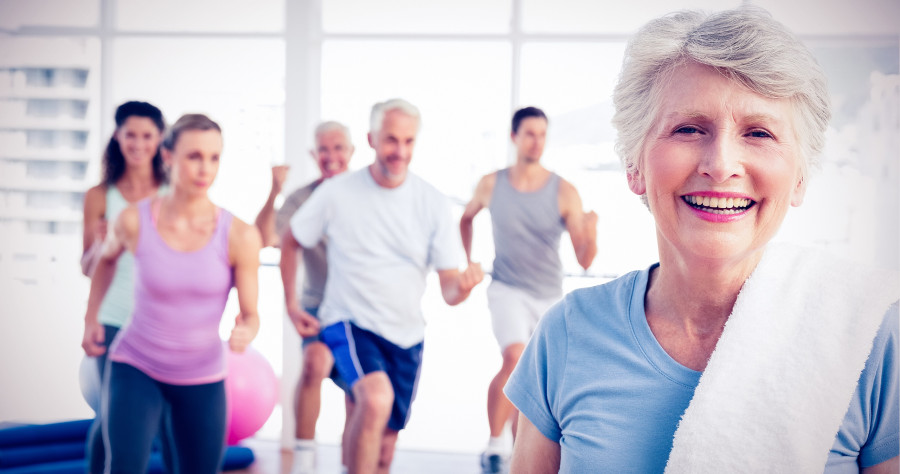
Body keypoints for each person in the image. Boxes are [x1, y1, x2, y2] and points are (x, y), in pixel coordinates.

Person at [505, 6, 899, 473]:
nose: (721, 163)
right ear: (635, 165)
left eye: (759, 132)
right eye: (689, 128)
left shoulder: (870, 340)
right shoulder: (568, 334)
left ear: (799, 178)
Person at [281, 98, 485, 474]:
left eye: (409, 142)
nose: (400, 151)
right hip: (348, 321)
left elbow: (449, 292)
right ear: (371, 139)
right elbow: (291, 240)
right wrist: (292, 306)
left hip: (407, 336)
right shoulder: (337, 192)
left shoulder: (434, 203)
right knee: (374, 400)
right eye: (391, 140)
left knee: (385, 451)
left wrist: (465, 287)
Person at [81, 114, 262, 473]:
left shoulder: (239, 234)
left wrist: (247, 329)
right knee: (124, 466)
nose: (205, 168)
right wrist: (91, 319)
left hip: (202, 375)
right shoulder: (133, 220)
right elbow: (104, 263)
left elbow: (251, 313)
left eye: (214, 158)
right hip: (136, 366)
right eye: (194, 156)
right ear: (168, 156)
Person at [458, 106, 597, 473]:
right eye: (529, 133)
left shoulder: (564, 191)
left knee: (534, 380)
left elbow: (584, 259)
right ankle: (494, 444)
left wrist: (591, 231)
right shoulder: (492, 183)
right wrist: (468, 260)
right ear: (514, 137)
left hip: (547, 294)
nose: (536, 141)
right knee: (514, 358)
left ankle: (520, 452)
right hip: (506, 288)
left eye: (542, 134)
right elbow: (466, 217)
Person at [255, 121, 356, 473]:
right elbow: (265, 237)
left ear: (352, 152)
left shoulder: (368, 194)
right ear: (315, 155)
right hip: (317, 304)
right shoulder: (302, 198)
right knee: (315, 363)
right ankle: (302, 459)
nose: (332, 156)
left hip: (362, 309)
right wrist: (274, 189)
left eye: (339, 148)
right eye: (324, 150)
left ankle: (351, 464)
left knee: (357, 392)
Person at [80, 100, 168, 474]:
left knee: (160, 416)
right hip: (113, 319)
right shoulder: (99, 196)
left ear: (160, 139)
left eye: (147, 135)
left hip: (161, 321)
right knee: (112, 415)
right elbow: (86, 267)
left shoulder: (172, 193)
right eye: (130, 134)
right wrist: (101, 246)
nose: (138, 143)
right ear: (117, 136)